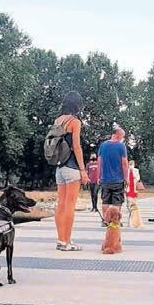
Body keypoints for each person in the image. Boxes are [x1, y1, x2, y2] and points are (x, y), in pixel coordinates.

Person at [53, 91, 89, 251]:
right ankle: (67, 242)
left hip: (59, 167)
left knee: (61, 204)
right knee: (70, 205)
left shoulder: (57, 121)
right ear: (77, 105)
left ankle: (60, 240)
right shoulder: (75, 122)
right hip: (72, 167)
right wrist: (83, 170)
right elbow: (77, 147)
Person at [97, 128, 129, 216]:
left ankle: (105, 219)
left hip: (105, 179)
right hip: (118, 180)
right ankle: (115, 220)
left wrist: (98, 177)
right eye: (122, 137)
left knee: (105, 201)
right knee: (117, 201)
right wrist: (126, 178)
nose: (122, 139)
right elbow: (124, 163)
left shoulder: (103, 145)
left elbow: (99, 162)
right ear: (119, 136)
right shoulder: (121, 146)